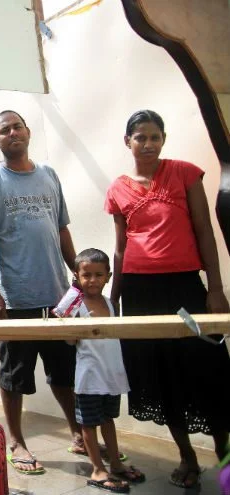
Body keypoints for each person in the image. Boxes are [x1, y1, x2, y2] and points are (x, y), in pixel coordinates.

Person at [105, 109, 230, 489]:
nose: (147, 143)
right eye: (140, 137)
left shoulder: (184, 173)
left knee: (209, 370)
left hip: (185, 290)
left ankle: (224, 455)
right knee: (162, 376)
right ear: (127, 142)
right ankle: (187, 457)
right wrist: (114, 301)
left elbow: (205, 232)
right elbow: (121, 249)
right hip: (141, 295)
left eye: (154, 136)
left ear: (163, 139)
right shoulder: (118, 189)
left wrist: (216, 288)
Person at [0, 110, 82, 474]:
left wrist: (78, 272)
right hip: (16, 299)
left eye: (17, 126)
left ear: (28, 132)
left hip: (58, 296)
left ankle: (78, 432)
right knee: (14, 375)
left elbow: (61, 229)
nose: (12, 133)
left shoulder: (49, 175)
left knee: (65, 371)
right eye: (4, 130)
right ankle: (16, 440)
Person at [67, 249, 145, 493]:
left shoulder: (112, 304)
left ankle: (116, 464)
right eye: (86, 275)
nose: (92, 280)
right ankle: (97, 468)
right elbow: (66, 337)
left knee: (108, 420)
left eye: (98, 275)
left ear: (108, 276)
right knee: (88, 425)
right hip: (89, 378)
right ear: (77, 276)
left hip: (111, 376)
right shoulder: (75, 304)